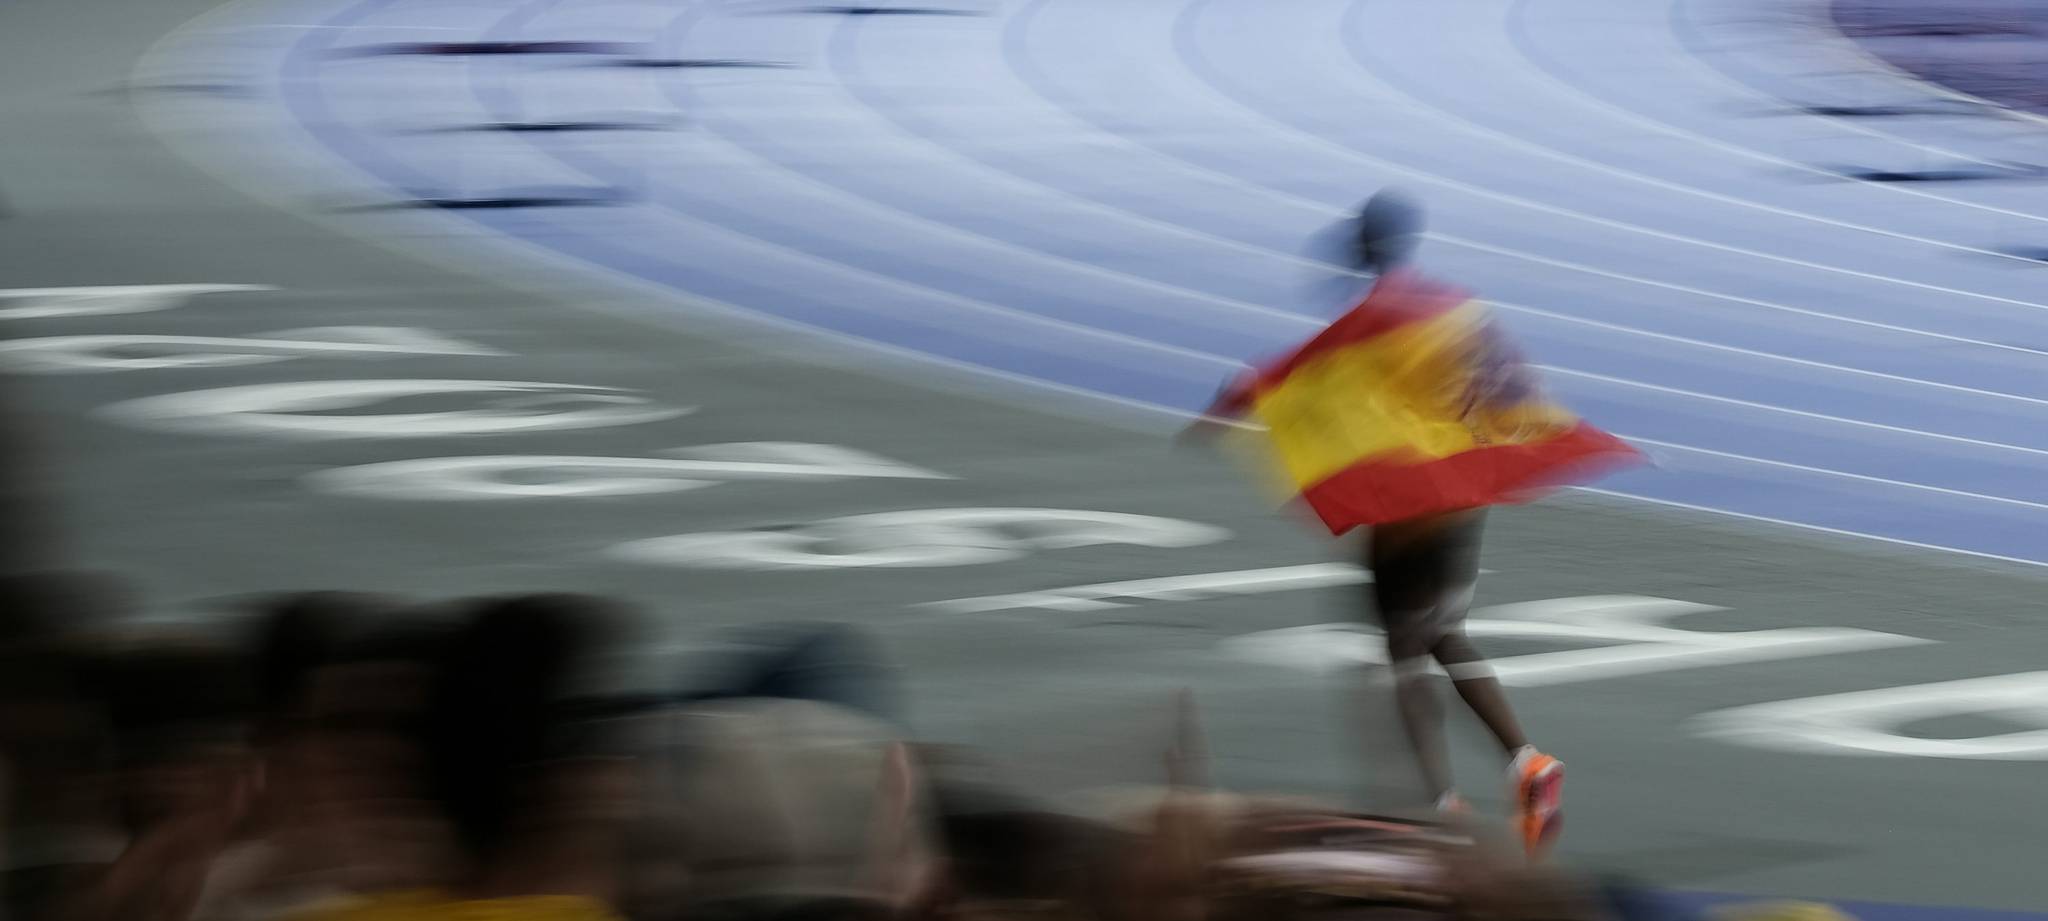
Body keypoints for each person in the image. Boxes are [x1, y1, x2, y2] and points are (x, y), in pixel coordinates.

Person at [1187, 190, 1626, 858]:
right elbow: (1507, 383)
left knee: (1401, 653)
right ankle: (1525, 761)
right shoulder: (1457, 308)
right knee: (1443, 631)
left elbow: (1297, 371)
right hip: (1460, 493)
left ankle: (1438, 808)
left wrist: (1231, 403)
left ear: (1361, 248)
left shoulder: (1372, 317)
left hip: (1405, 502)